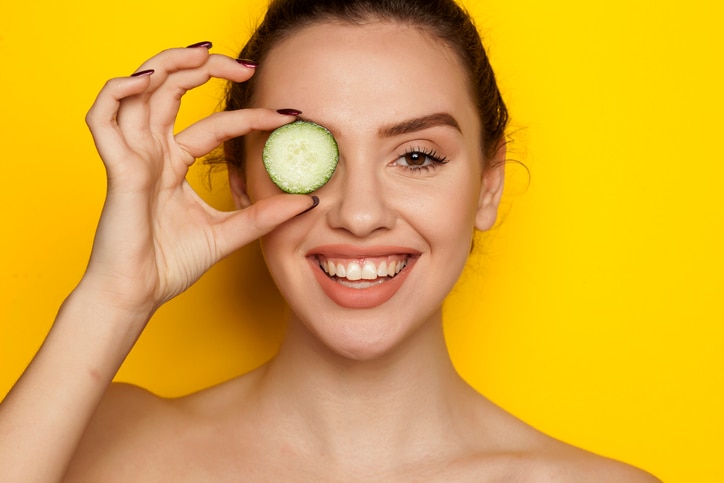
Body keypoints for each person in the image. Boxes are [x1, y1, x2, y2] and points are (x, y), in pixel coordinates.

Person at [0, 0, 660, 480]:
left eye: (418, 156)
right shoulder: (99, 445)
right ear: (241, 182)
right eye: (310, 154)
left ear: (488, 185)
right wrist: (114, 295)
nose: (360, 213)